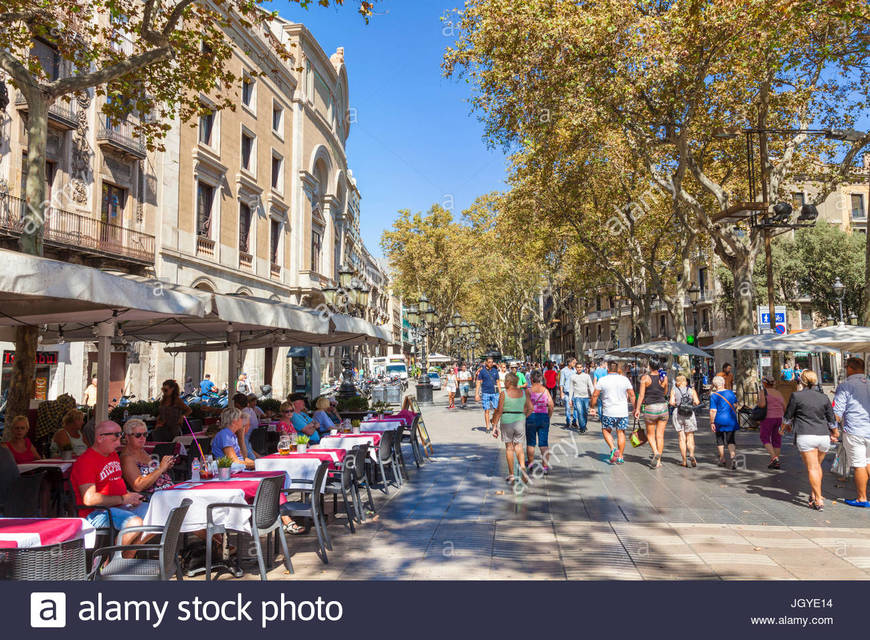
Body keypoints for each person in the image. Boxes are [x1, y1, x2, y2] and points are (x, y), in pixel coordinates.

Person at [71, 420, 147, 554]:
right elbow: (89, 500)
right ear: (100, 438)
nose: (119, 443)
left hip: (119, 506)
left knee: (157, 514)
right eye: (115, 439)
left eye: (120, 437)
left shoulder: (112, 455)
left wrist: (131, 497)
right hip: (95, 512)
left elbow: (115, 484)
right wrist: (123, 499)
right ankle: (111, 562)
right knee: (135, 523)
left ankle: (126, 558)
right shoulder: (86, 461)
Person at [782, 370, 837, 511]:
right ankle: (813, 495)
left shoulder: (796, 396)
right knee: (817, 466)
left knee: (812, 468)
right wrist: (835, 433)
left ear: (802, 381)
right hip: (823, 436)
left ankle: (818, 499)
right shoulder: (824, 397)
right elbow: (831, 420)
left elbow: (787, 417)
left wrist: (782, 429)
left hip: (805, 434)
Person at [833, 357, 870, 508]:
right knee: (868, 461)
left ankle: (862, 498)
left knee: (859, 464)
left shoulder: (846, 386)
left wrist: (833, 428)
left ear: (850, 368)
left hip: (855, 430)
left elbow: (837, 411)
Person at [590, 361, 635, 465]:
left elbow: (595, 395)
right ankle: (620, 457)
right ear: (617, 369)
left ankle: (613, 448)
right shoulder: (625, 379)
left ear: (608, 369)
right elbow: (632, 395)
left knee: (606, 430)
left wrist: (592, 407)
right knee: (621, 433)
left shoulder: (603, 380)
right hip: (622, 412)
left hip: (608, 412)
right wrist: (635, 408)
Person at [492, 372, 532, 484]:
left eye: (505, 380)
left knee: (509, 447)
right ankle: (523, 467)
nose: (504, 382)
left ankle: (512, 475)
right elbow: (531, 409)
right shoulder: (524, 393)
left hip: (506, 420)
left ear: (509, 382)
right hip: (520, 420)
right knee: (519, 446)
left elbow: (499, 410)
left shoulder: (504, 394)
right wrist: (523, 416)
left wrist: (494, 426)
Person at [120, 419, 175, 494]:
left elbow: (152, 473)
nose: (142, 438)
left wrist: (165, 466)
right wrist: (161, 468)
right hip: (155, 497)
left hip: (169, 490)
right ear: (127, 437)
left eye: (145, 434)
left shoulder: (141, 451)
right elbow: (138, 486)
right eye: (138, 435)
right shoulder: (127, 458)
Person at [634, 357, 670, 469]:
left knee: (650, 435)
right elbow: (665, 393)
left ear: (649, 366)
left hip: (651, 409)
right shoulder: (664, 378)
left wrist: (637, 409)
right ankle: (658, 461)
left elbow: (641, 396)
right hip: (663, 408)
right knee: (660, 436)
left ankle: (655, 452)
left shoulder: (645, 378)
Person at [526, 370, 554, 473]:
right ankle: (545, 467)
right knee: (543, 444)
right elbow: (551, 405)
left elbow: (526, 406)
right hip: (543, 417)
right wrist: (548, 416)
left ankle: (530, 464)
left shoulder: (528, 391)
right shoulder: (545, 390)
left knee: (531, 443)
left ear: (531, 379)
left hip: (531, 417)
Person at [709, 375, 740, 469]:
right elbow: (735, 405)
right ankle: (733, 457)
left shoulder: (714, 396)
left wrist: (712, 422)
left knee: (720, 439)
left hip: (719, 420)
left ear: (714, 385)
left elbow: (713, 410)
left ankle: (722, 459)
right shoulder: (730, 393)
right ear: (723, 383)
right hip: (731, 420)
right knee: (731, 440)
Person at [669, 374, 699, 467]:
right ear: (685, 381)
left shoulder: (674, 390)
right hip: (689, 414)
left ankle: (684, 461)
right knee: (690, 437)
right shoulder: (691, 390)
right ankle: (691, 455)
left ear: (677, 382)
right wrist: (691, 403)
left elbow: (671, 402)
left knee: (681, 438)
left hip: (678, 413)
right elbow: (697, 402)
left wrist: (676, 404)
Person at [757, 376, 786, 469]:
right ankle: (775, 462)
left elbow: (762, 405)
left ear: (765, 383)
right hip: (779, 418)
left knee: (764, 437)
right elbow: (785, 406)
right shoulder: (778, 393)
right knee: (777, 440)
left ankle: (774, 458)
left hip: (768, 418)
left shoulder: (763, 392)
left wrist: (757, 402)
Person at [475, 357, 501, 433]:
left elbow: (498, 382)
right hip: (485, 393)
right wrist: (476, 394)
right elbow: (478, 383)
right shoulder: (482, 371)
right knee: (487, 410)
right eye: (489, 362)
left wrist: (500, 393)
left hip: (495, 393)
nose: (491, 363)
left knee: (497, 410)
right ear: (486, 362)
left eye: (492, 362)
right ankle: (487, 427)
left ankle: (493, 421)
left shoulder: (495, 371)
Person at [569, 362, 594, 433]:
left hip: (586, 397)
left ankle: (584, 425)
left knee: (585, 412)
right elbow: (571, 388)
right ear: (576, 368)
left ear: (582, 368)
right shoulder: (573, 377)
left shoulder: (587, 376)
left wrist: (593, 395)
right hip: (577, 397)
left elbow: (591, 386)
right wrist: (570, 399)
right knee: (580, 412)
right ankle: (582, 427)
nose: (579, 369)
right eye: (578, 367)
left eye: (580, 367)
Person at [559, 358, 576, 426]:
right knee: (567, 407)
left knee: (576, 407)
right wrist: (561, 392)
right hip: (567, 391)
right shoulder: (563, 371)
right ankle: (568, 421)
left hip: (575, 391)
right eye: (574, 363)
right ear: (569, 363)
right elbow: (561, 382)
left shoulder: (575, 370)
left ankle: (574, 421)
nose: (575, 364)